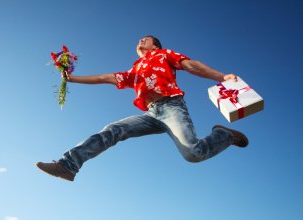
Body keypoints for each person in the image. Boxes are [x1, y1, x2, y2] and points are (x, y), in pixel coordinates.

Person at [36, 35, 248, 182]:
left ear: (155, 46)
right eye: (140, 39)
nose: (140, 40)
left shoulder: (163, 55)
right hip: (150, 113)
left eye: (145, 39)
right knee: (113, 129)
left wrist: (222, 76)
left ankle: (223, 135)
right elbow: (106, 77)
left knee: (193, 153)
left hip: (171, 106)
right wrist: (72, 78)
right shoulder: (135, 69)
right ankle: (68, 166)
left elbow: (191, 65)